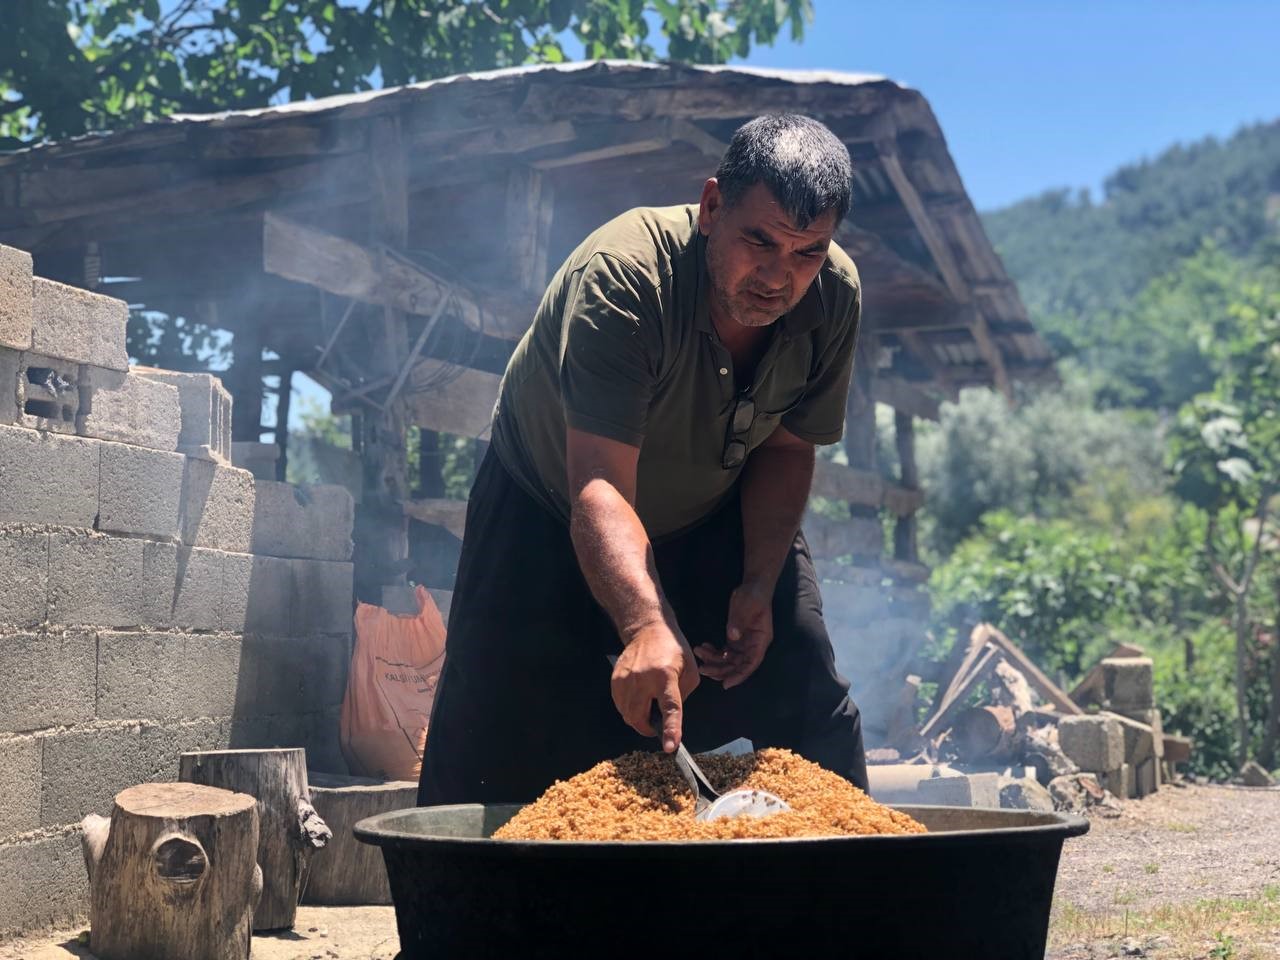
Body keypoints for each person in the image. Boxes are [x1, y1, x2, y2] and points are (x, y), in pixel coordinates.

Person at [417, 113, 868, 807]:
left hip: (716, 504)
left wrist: (757, 581)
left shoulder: (834, 294)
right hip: (550, 501)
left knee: (802, 683)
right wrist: (647, 624)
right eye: (760, 241)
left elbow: (785, 444)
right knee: (498, 744)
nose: (779, 277)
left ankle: (853, 900)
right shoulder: (625, 278)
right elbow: (596, 485)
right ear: (712, 206)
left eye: (807, 252)